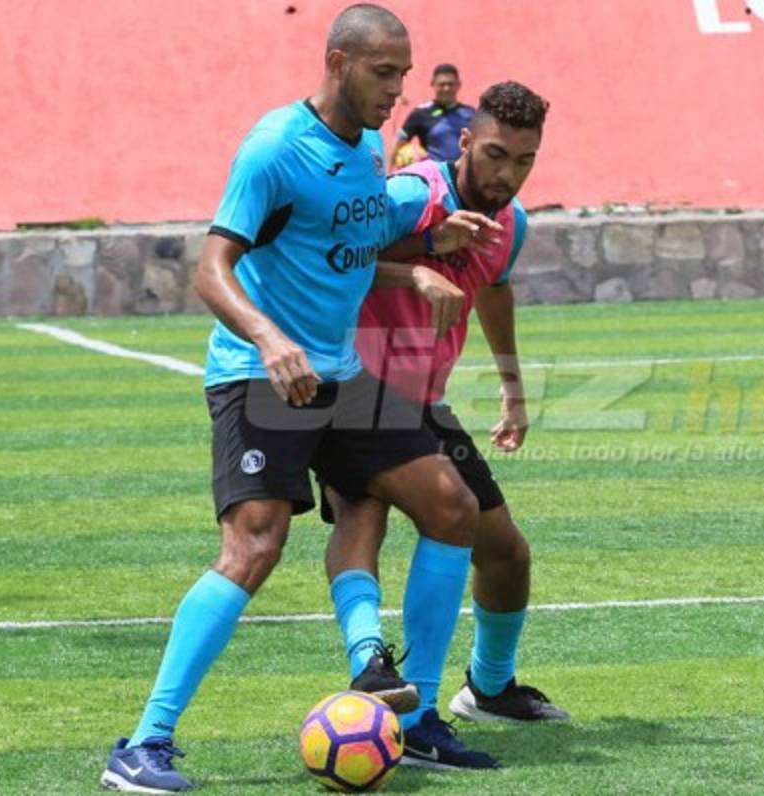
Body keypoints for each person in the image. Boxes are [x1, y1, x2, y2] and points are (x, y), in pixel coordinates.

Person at [100, 5, 483, 793]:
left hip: (338, 378)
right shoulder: (275, 147)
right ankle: (142, 745)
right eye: (384, 73)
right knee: (255, 546)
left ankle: (410, 721)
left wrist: (416, 258)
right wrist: (271, 340)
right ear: (339, 61)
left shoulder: (368, 147)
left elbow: (343, 242)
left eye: (404, 75)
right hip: (257, 373)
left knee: (451, 505)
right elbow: (212, 268)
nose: (397, 90)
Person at [324, 80, 567, 773]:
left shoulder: (510, 222)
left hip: (424, 402)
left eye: (524, 161)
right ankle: (400, 695)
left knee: (507, 554)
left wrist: (513, 388)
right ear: (463, 141)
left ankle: (487, 688)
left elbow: (493, 288)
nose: (506, 174)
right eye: (495, 155)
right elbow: (327, 259)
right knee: (365, 517)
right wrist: (414, 266)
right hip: (353, 390)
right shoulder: (409, 193)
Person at [390, 63, 474, 169]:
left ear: (459, 85)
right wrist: (388, 174)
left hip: (465, 176)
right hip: (434, 178)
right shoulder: (421, 113)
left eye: (450, 84)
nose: (446, 88)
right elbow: (399, 141)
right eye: (442, 84)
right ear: (433, 84)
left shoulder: (470, 113)